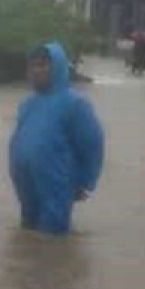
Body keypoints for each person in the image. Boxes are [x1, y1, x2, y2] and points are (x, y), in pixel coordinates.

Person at [9, 42, 105, 235]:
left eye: (43, 65)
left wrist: (86, 182)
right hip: (25, 182)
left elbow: (92, 144)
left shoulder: (74, 103)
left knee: (52, 236)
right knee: (28, 232)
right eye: (33, 65)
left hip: (56, 182)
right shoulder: (28, 104)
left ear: (58, 68)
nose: (36, 70)